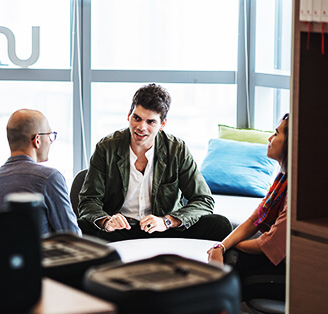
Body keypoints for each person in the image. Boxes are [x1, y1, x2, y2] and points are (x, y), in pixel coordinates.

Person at [77, 83, 232, 242]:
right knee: (79, 227)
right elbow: (88, 200)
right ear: (129, 115)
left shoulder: (177, 149)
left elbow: (203, 200)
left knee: (220, 225)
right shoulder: (106, 147)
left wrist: (168, 221)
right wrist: (106, 221)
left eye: (150, 122)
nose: (141, 127)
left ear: (162, 125)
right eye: (137, 118)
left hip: (163, 228)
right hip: (120, 230)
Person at [207, 114, 289, 301]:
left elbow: (267, 244)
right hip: (277, 258)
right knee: (230, 260)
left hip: (294, 270)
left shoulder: (297, 190)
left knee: (232, 272)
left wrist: (223, 248)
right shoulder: (282, 179)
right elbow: (254, 220)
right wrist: (220, 246)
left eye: (276, 133)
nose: (269, 138)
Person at [0, 109, 82, 237]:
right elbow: (72, 236)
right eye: (50, 136)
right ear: (37, 140)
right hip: (42, 256)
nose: (50, 141)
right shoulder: (49, 178)